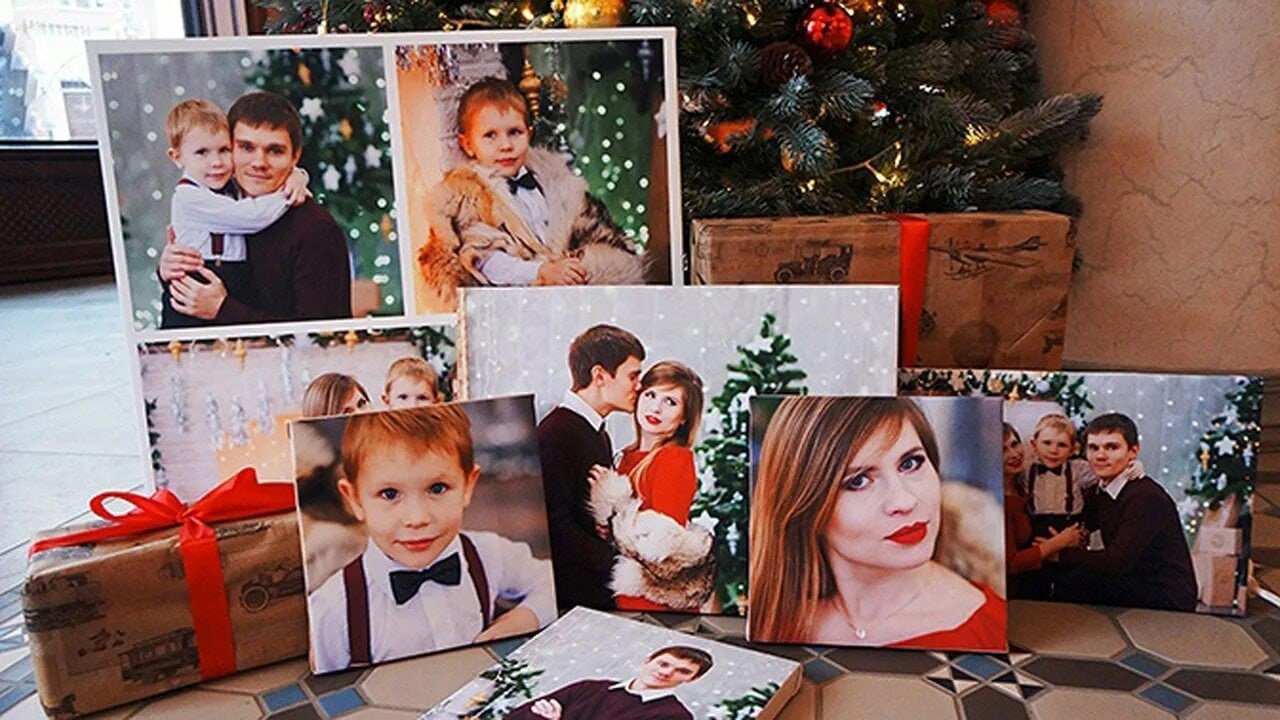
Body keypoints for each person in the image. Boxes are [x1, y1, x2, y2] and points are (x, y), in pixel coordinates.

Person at [307, 405, 555, 673]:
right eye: (390, 494)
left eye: (437, 488)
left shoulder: (490, 554)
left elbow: (550, 584)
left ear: (468, 486)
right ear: (355, 500)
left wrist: (525, 618)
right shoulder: (332, 609)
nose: (417, 518)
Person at [748, 397, 1005, 652]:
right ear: (805, 506)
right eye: (858, 481)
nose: (904, 501)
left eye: (910, 464)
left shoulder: (990, 629)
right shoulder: (766, 621)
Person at [419, 78, 644, 295]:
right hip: (519, 298)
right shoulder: (470, 198)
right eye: (490, 136)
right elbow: (485, 261)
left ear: (529, 133)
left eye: (515, 132)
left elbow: (585, 229)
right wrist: (540, 271)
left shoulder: (555, 185)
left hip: (566, 293)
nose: (506, 145)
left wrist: (574, 268)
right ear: (467, 144)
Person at [160, 91, 352, 325]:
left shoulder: (315, 231)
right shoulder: (219, 198)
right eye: (246, 147)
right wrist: (170, 270)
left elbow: (323, 335)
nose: (259, 163)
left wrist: (223, 309)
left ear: (295, 156)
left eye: (275, 151)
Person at [587, 361, 715, 612]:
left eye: (671, 402)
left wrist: (612, 510)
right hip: (621, 591)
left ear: (683, 418)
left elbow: (659, 543)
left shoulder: (674, 458)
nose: (656, 408)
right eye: (651, 395)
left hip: (652, 600)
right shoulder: (624, 456)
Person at [537, 325, 645, 610]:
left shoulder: (595, 431)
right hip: (572, 602)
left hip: (593, 593)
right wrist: (618, 564)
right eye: (633, 376)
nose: (639, 386)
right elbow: (554, 525)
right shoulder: (557, 433)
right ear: (599, 376)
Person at [1053, 413, 1198, 611]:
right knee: (1068, 576)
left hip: (1166, 593)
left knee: (1075, 580)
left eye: (1112, 447)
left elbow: (1117, 561)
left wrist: (1060, 554)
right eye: (1093, 448)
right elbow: (1081, 522)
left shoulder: (1144, 497)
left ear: (1133, 451)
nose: (1100, 455)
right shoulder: (1100, 490)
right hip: (1133, 578)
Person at [505, 645, 713, 720]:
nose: (666, 673)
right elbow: (515, 716)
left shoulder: (674, 716)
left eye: (683, 671)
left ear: (693, 679)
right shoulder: (588, 688)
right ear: (648, 660)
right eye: (663, 663)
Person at [1003, 423, 1083, 599]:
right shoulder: (998, 501)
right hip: (1015, 590)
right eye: (1003, 450)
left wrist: (1075, 537)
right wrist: (1058, 542)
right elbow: (1009, 564)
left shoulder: (1021, 482)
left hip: (1049, 570)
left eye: (1015, 444)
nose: (1014, 454)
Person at [1024, 414, 1097, 540]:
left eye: (1062, 445)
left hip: (1069, 528)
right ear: (1034, 444)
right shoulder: (1025, 470)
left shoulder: (1079, 469)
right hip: (1035, 531)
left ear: (1072, 450)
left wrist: (1131, 467)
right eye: (1047, 443)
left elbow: (1108, 472)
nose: (1053, 450)